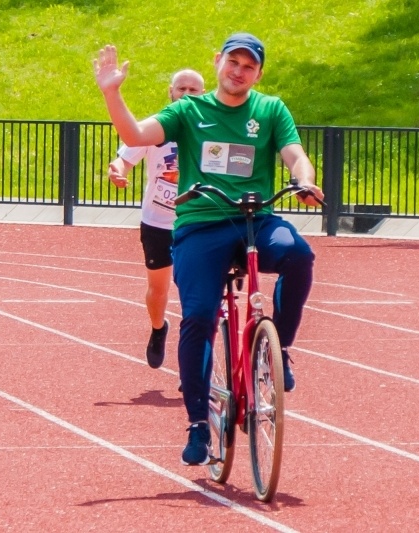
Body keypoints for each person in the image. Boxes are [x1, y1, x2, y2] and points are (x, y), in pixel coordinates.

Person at [93, 32, 324, 466]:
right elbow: (135, 133)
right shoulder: (189, 110)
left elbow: (294, 153)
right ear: (218, 61)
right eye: (233, 62)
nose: (239, 71)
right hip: (201, 225)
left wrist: (304, 181)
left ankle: (278, 351)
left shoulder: (270, 110)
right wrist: (112, 93)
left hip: (254, 219)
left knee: (299, 255)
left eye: (249, 66)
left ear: (258, 73)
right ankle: (199, 422)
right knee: (198, 315)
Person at [106, 69, 205, 369]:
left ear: (204, 95)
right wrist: (117, 171)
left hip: (197, 222)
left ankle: (194, 358)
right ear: (170, 92)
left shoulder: (211, 129)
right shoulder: (157, 126)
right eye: (181, 88)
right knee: (158, 290)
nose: (187, 94)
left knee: (195, 292)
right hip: (158, 222)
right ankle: (158, 328)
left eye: (194, 90)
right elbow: (124, 159)